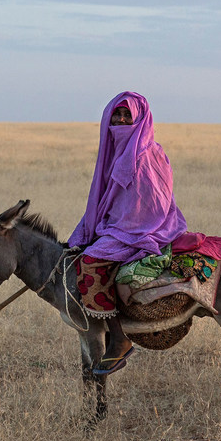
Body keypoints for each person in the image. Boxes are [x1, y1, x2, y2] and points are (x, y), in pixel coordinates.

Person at [67, 91, 187, 375]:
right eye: (117, 115)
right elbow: (107, 199)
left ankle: (119, 338)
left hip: (145, 227)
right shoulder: (114, 154)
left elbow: (154, 204)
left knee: (91, 262)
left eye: (127, 116)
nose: (121, 120)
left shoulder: (149, 154)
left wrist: (119, 230)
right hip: (117, 226)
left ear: (140, 119)